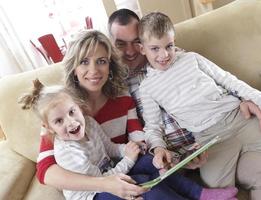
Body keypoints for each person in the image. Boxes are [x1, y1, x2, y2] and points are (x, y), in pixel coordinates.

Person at [107, 8, 261, 171]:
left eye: (135, 41)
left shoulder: (178, 58)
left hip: (230, 122)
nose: (131, 50)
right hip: (194, 150)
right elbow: (150, 129)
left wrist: (246, 99)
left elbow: (221, 81)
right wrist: (177, 157)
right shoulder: (121, 87)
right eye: (121, 44)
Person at [137, 11, 261, 199]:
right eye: (155, 48)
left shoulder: (192, 59)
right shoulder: (147, 87)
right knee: (215, 189)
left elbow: (229, 81)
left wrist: (257, 99)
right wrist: (158, 148)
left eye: (169, 46)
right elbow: (153, 126)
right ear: (142, 49)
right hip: (211, 138)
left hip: (240, 118)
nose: (164, 54)